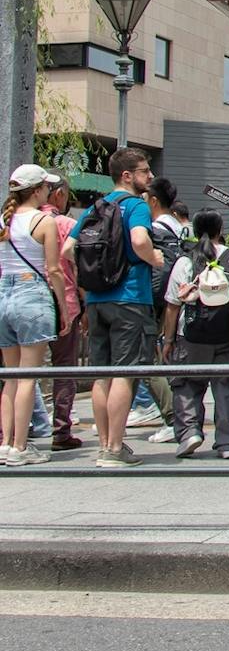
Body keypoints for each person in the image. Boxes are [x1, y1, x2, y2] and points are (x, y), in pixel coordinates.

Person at [66, 148, 162, 469]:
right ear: (127, 176)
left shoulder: (95, 207)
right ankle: (116, 447)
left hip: (97, 299)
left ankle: (105, 445)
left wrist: (91, 278)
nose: (150, 177)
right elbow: (139, 241)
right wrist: (155, 259)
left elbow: (68, 249)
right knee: (124, 372)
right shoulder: (136, 206)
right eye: (145, 171)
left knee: (102, 373)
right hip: (131, 298)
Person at [162, 210, 229, 458]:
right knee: (226, 388)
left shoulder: (186, 261)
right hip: (228, 334)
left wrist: (168, 340)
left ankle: (190, 433)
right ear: (221, 230)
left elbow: (172, 304)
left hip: (190, 336)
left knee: (187, 384)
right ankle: (227, 442)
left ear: (195, 231)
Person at [0, 164, 69, 466]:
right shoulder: (44, 221)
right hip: (32, 295)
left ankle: (5, 442)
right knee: (28, 376)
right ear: (39, 190)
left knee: (10, 377)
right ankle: (20, 446)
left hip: (4, 295)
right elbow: (53, 269)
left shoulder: (4, 219)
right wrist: (62, 307)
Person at [126, 173, 185, 439]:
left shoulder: (156, 230)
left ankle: (173, 417)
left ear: (152, 200)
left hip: (152, 300)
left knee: (144, 358)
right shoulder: (181, 227)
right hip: (174, 299)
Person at [38, 173, 84, 451]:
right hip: (62, 301)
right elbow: (77, 267)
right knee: (63, 368)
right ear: (57, 194)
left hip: (17, 301)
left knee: (17, 371)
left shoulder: (13, 223)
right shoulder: (66, 224)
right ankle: (61, 430)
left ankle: (9, 432)